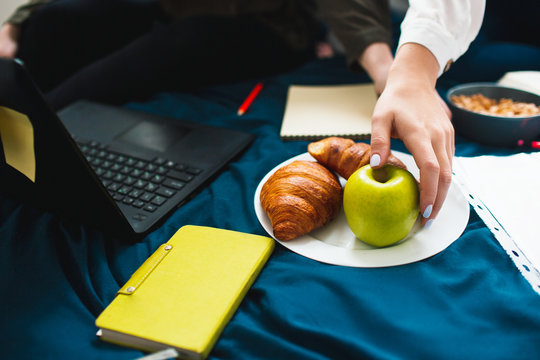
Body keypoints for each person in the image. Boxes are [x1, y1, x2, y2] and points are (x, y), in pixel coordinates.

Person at [0, 0, 485, 228]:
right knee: (48, 22)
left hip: (266, 22)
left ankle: (40, 135)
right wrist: (22, 23)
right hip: (174, 8)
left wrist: (392, 71)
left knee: (174, 47)